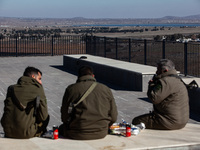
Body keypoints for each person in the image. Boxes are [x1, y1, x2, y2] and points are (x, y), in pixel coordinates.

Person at [60, 66, 118, 140]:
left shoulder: (71, 89)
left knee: (61, 128)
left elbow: (64, 116)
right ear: (93, 76)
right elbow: (114, 116)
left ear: (78, 76)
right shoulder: (105, 89)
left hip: (76, 133)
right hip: (101, 132)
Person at [132, 59, 189, 130]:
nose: (156, 72)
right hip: (182, 121)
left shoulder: (165, 82)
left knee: (136, 121)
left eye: (158, 70)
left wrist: (152, 85)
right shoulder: (177, 79)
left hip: (169, 121)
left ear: (165, 70)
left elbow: (154, 98)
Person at [1, 66, 49, 139]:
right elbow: (43, 116)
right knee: (46, 118)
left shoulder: (11, 88)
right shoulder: (37, 88)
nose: (40, 82)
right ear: (33, 77)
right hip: (25, 133)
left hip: (8, 131)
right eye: (39, 79)